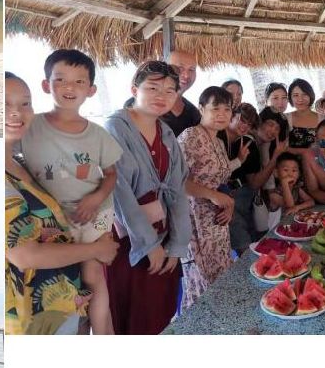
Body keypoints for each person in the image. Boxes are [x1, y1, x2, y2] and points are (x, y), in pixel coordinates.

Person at [4, 73, 118, 334]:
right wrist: (95, 249)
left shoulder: (22, 165)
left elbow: (111, 173)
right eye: (5, 103)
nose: (16, 112)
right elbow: (25, 256)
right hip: (31, 318)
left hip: (62, 306)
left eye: (25, 103)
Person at [104, 61, 192, 333]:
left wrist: (177, 246)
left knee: (161, 313)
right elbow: (120, 192)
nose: (161, 96)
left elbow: (177, 191)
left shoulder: (167, 133)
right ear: (134, 89)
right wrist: (148, 245)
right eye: (152, 88)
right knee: (133, 318)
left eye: (169, 91)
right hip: (129, 240)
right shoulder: (116, 128)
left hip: (164, 235)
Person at [179, 86, 234, 307]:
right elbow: (175, 182)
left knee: (221, 279)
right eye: (215, 108)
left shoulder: (219, 141)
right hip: (194, 221)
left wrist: (228, 204)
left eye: (227, 109)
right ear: (201, 109)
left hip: (216, 223)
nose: (222, 114)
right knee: (201, 284)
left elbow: (220, 182)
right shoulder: (190, 136)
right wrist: (212, 195)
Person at [217, 102, 262, 254]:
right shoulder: (217, 136)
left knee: (249, 235)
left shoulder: (242, 140)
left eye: (249, 124)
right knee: (242, 239)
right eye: (242, 120)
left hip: (236, 193)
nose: (245, 127)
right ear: (231, 116)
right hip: (219, 195)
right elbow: (216, 172)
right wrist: (239, 160)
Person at [285, 78, 320, 151]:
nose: (300, 99)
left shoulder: (323, 119)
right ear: (290, 98)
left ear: (310, 95)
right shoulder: (285, 118)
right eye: (296, 95)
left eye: (304, 94)